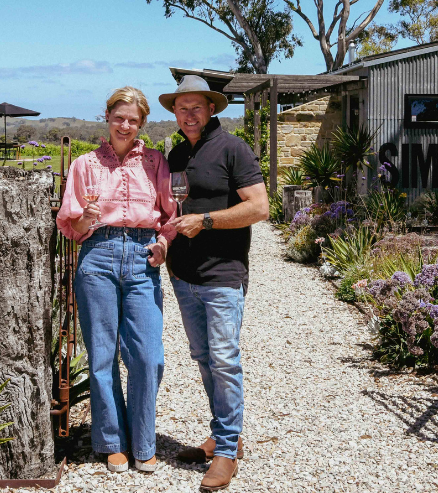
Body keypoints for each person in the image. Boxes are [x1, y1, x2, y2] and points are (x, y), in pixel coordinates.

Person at [55, 87, 177, 473]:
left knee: (148, 356)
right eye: (118, 117)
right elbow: (70, 226)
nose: (125, 125)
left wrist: (162, 245)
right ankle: (112, 441)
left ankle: (143, 440)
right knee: (102, 355)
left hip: (143, 259)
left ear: (141, 123)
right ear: (106, 117)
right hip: (99, 256)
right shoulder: (84, 165)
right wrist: (87, 218)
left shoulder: (156, 162)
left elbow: (170, 215)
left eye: (133, 119)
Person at [159, 75, 269, 491]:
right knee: (204, 358)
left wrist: (204, 221)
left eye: (196, 106)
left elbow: (259, 207)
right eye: (181, 107)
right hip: (184, 276)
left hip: (223, 274)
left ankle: (225, 452)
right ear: (175, 112)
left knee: (224, 359)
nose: (188, 114)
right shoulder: (175, 155)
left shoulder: (233, 149)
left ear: (212, 109)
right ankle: (226, 435)